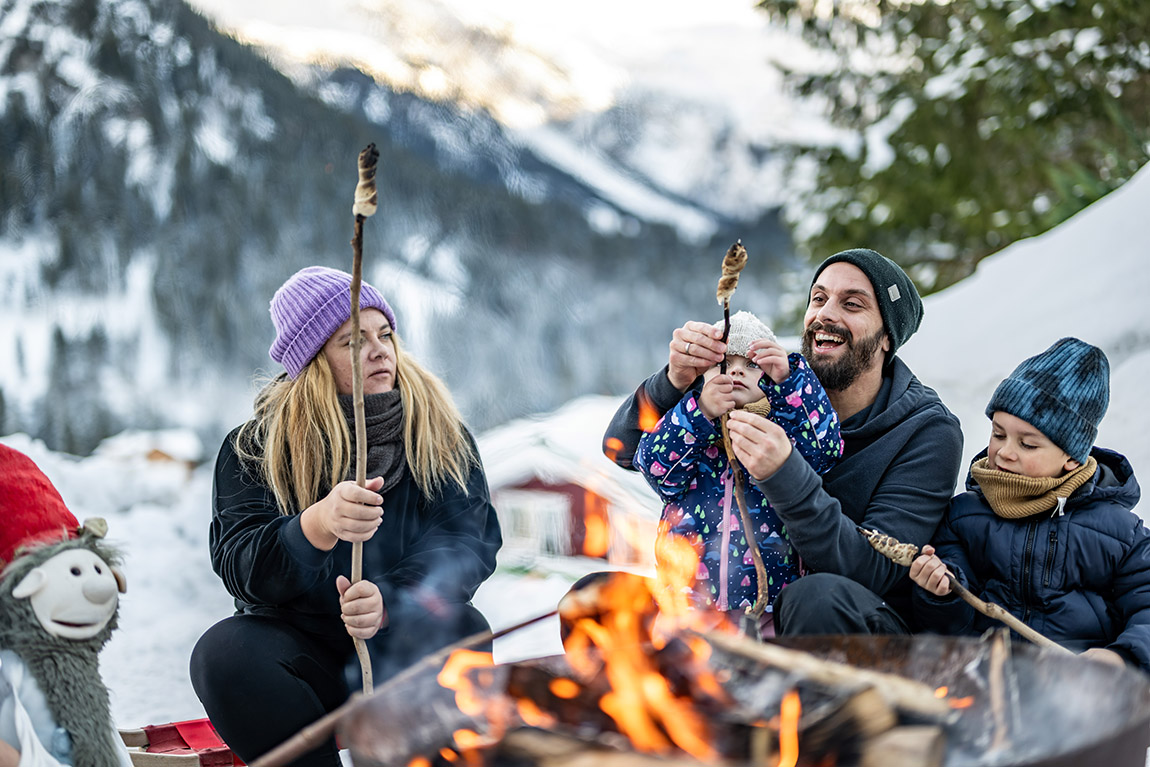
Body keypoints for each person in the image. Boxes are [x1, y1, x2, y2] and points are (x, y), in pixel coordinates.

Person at [190, 266, 502, 767]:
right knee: (224, 653)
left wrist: (392, 600)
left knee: (462, 627)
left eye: (385, 335)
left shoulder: (439, 434)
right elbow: (240, 562)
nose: (380, 350)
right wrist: (312, 528)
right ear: (312, 362)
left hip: (402, 642)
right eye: (352, 342)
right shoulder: (255, 448)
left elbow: (467, 539)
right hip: (297, 658)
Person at [602, 248, 963, 634]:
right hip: (711, 609)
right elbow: (622, 450)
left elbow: (874, 570)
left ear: (887, 337)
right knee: (600, 598)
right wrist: (673, 379)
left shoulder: (926, 430)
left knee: (815, 597)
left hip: (854, 630)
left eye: (852, 304)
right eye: (819, 298)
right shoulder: (763, 387)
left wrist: (783, 472)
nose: (825, 314)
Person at [910, 338, 1150, 669]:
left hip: (1077, 690)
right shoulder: (964, 516)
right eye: (998, 434)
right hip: (985, 681)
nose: (1006, 452)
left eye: (1027, 444)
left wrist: (1122, 656)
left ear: (1071, 458)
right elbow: (951, 628)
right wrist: (942, 594)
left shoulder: (1120, 534)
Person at [635, 311, 843, 634]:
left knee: (761, 679)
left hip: (768, 607)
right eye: (724, 365)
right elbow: (654, 466)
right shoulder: (692, 430)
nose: (735, 372)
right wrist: (699, 413)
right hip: (687, 606)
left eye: (751, 365)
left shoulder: (781, 433)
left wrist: (791, 379)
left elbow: (826, 447)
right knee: (683, 677)